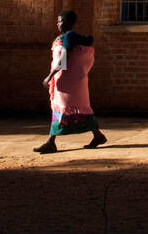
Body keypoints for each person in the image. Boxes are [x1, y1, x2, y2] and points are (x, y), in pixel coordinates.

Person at [34, 10, 106, 153]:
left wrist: (50, 76)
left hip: (67, 83)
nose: (57, 23)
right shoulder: (71, 37)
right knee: (78, 107)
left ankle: (51, 142)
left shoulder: (68, 36)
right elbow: (88, 40)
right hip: (72, 81)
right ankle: (98, 135)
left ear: (68, 23)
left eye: (60, 21)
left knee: (62, 108)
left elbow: (63, 58)